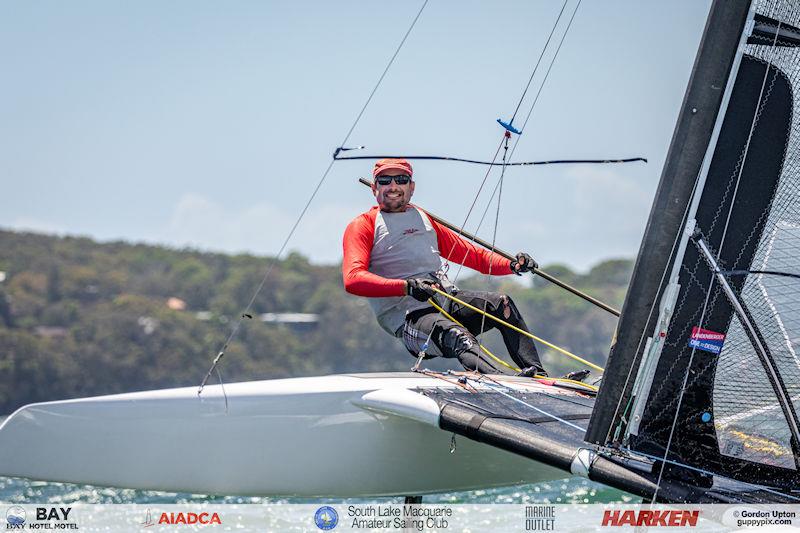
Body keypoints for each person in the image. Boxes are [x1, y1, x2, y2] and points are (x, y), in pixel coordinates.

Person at [341, 158, 546, 376]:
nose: (393, 186)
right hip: (411, 319)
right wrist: (407, 286)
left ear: (412, 187)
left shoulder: (424, 219)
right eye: (385, 180)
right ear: (374, 188)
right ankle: (502, 381)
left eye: (401, 179)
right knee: (458, 336)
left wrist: (512, 265)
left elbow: (474, 256)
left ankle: (541, 379)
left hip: (447, 302)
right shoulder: (363, 225)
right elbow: (353, 279)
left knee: (501, 305)